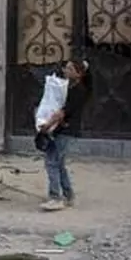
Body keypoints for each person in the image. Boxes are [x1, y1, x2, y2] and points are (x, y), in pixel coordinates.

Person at [38, 60, 91, 211]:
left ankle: (55, 197)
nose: (65, 70)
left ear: (78, 73)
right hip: (62, 130)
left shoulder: (78, 90)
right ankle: (68, 195)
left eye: (69, 68)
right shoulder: (69, 87)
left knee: (51, 162)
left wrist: (47, 125)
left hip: (66, 130)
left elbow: (63, 112)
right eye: (65, 68)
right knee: (59, 163)